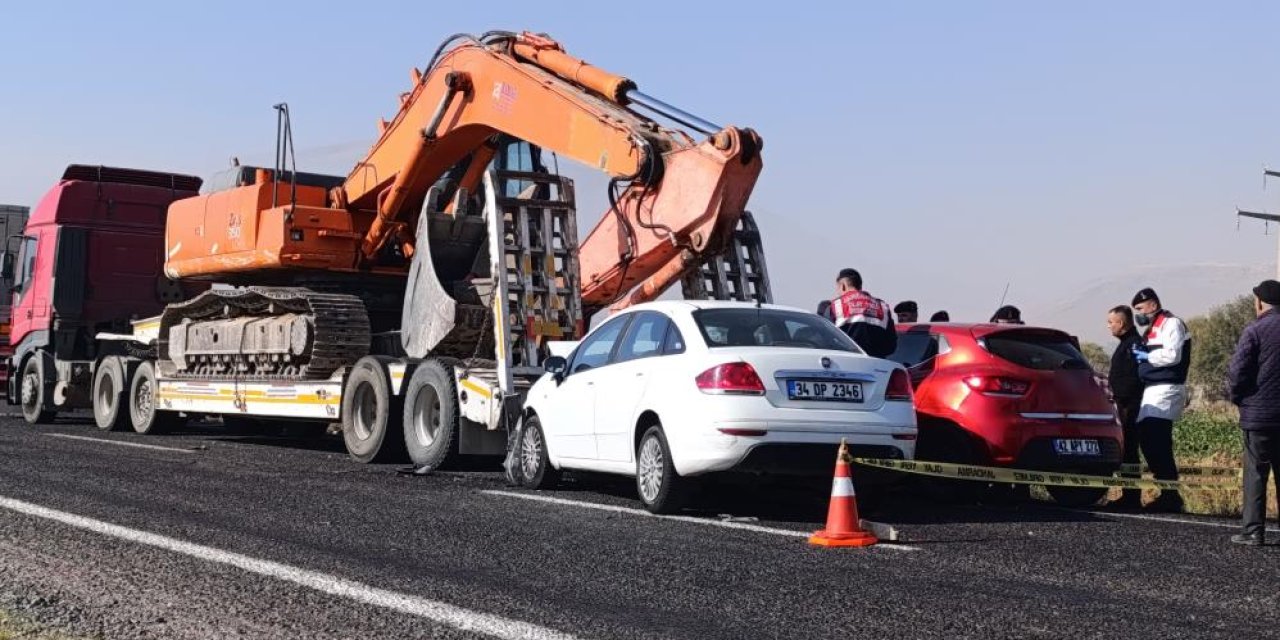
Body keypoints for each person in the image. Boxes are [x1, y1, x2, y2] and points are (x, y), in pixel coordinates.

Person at [1226, 279, 1280, 545]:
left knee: (1256, 473)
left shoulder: (1255, 330)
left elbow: (1238, 373)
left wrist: (1238, 398)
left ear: (1260, 302)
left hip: (1259, 415)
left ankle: (1253, 531)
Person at [1130, 287, 1191, 512]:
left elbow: (1173, 356)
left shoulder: (1171, 324)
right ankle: (1165, 490)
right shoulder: (1152, 328)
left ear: (1153, 305)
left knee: (1158, 440)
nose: (1139, 314)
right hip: (1152, 389)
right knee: (1146, 438)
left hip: (1167, 388)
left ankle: (1170, 495)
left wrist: (1148, 356)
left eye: (1140, 309)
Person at [1107, 305, 1145, 509]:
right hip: (1124, 405)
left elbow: (1133, 378)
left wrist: (1121, 399)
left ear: (1121, 323)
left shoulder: (1133, 345)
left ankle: (1131, 496)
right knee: (1127, 450)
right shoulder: (1126, 344)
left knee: (1130, 450)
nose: (1109, 326)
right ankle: (1128, 493)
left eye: (1111, 322)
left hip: (1130, 405)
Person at [828, 268, 897, 358]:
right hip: (877, 365)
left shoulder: (836, 305)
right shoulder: (882, 306)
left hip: (847, 363)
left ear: (843, 286)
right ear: (860, 285)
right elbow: (891, 345)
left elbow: (826, 340)